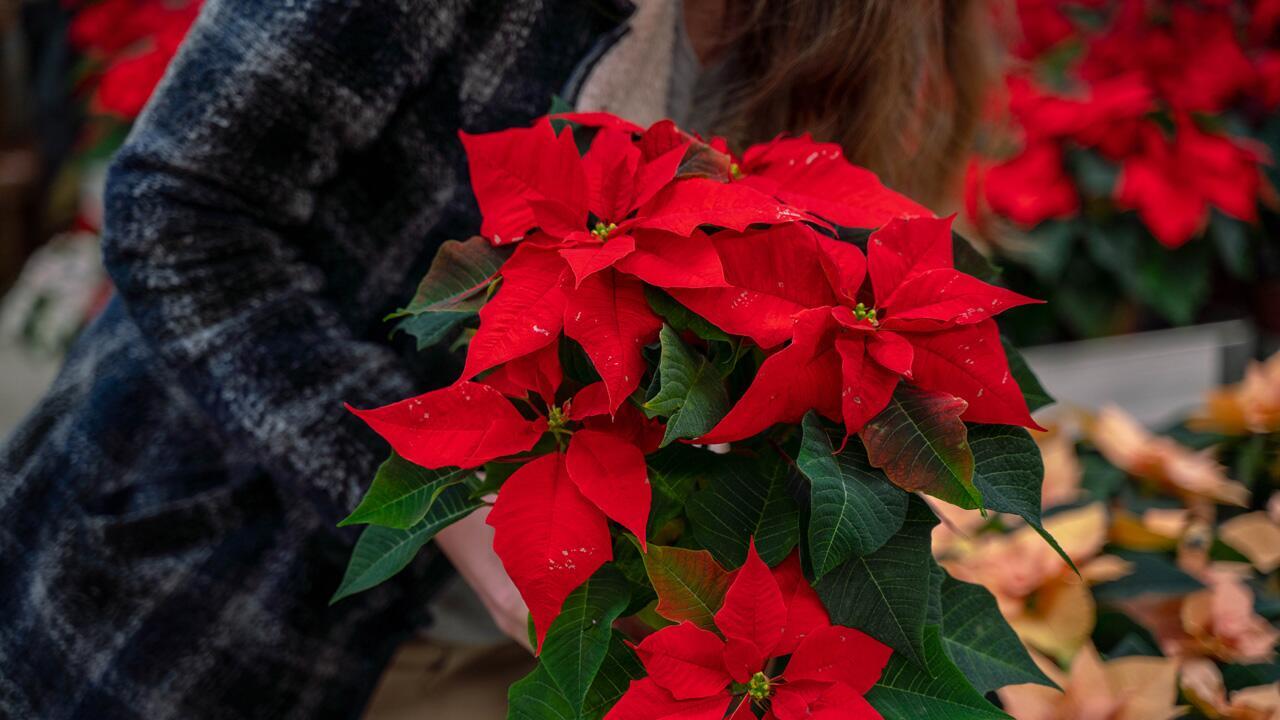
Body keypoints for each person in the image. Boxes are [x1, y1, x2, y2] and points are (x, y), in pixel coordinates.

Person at [0, 0, 991, 717]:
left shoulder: (846, 25)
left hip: (560, 644)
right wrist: (447, 506)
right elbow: (176, 206)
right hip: (226, 608)